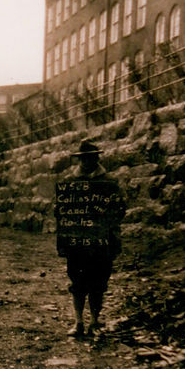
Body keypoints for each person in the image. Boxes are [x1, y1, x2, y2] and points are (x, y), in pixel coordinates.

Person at [55, 140, 124, 337]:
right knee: (77, 282)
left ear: (97, 158)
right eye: (83, 158)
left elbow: (120, 210)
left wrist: (107, 219)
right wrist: (60, 211)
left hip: (102, 243)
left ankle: (94, 321)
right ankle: (78, 322)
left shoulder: (109, 182)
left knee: (98, 283)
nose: (87, 162)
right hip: (77, 243)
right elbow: (61, 211)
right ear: (79, 160)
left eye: (91, 158)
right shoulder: (70, 183)